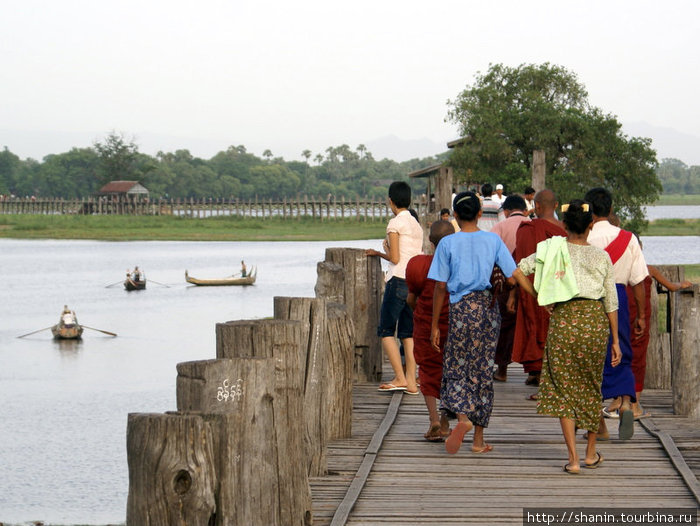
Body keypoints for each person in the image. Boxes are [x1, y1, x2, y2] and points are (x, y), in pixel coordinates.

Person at [428, 192, 536, 455]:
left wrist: (434, 325)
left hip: (460, 311)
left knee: (457, 365)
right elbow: (515, 273)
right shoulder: (492, 240)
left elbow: (440, 287)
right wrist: (536, 295)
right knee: (482, 370)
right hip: (487, 311)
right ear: (479, 214)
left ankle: (462, 417)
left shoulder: (447, 244)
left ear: (454, 216)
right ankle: (478, 440)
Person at [518, 199, 620, 474]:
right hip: (593, 323)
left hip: (564, 321)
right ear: (590, 227)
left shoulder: (552, 249)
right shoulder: (601, 256)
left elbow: (517, 270)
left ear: (564, 226)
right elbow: (611, 301)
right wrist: (617, 342)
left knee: (563, 388)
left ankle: (573, 459)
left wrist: (538, 296)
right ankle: (590, 454)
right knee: (590, 386)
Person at [585, 187, 648, 440]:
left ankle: (598, 425)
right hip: (620, 298)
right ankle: (624, 402)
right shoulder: (628, 238)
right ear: (610, 210)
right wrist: (641, 315)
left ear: (588, 211)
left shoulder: (583, 238)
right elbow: (639, 281)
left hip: (591, 299)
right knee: (620, 349)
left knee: (591, 356)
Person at [366, 181, 424, 394]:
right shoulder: (416, 224)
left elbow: (396, 257)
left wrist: (381, 251)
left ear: (390, 201)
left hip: (398, 279)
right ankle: (411, 381)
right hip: (413, 281)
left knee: (386, 330)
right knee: (408, 333)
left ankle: (399, 377)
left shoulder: (395, 223)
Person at [511, 190, 567, 390]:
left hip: (531, 288)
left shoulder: (528, 229)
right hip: (558, 290)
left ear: (537, 207)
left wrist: (513, 292)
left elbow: (517, 262)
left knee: (533, 326)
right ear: (557, 205)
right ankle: (543, 373)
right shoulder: (565, 231)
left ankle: (538, 372)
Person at [406, 220, 455, 441]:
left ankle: (434, 420)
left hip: (427, 325)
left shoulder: (418, 264)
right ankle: (445, 422)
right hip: (455, 325)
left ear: (430, 240)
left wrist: (423, 315)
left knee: (427, 371)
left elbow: (411, 298)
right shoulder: (459, 265)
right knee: (452, 372)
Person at [490, 195, 531, 382]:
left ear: (505, 211)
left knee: (505, 327)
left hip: (507, 281)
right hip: (531, 281)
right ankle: (534, 372)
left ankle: (502, 370)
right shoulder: (532, 225)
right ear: (525, 210)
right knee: (531, 324)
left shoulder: (500, 227)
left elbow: (491, 256)